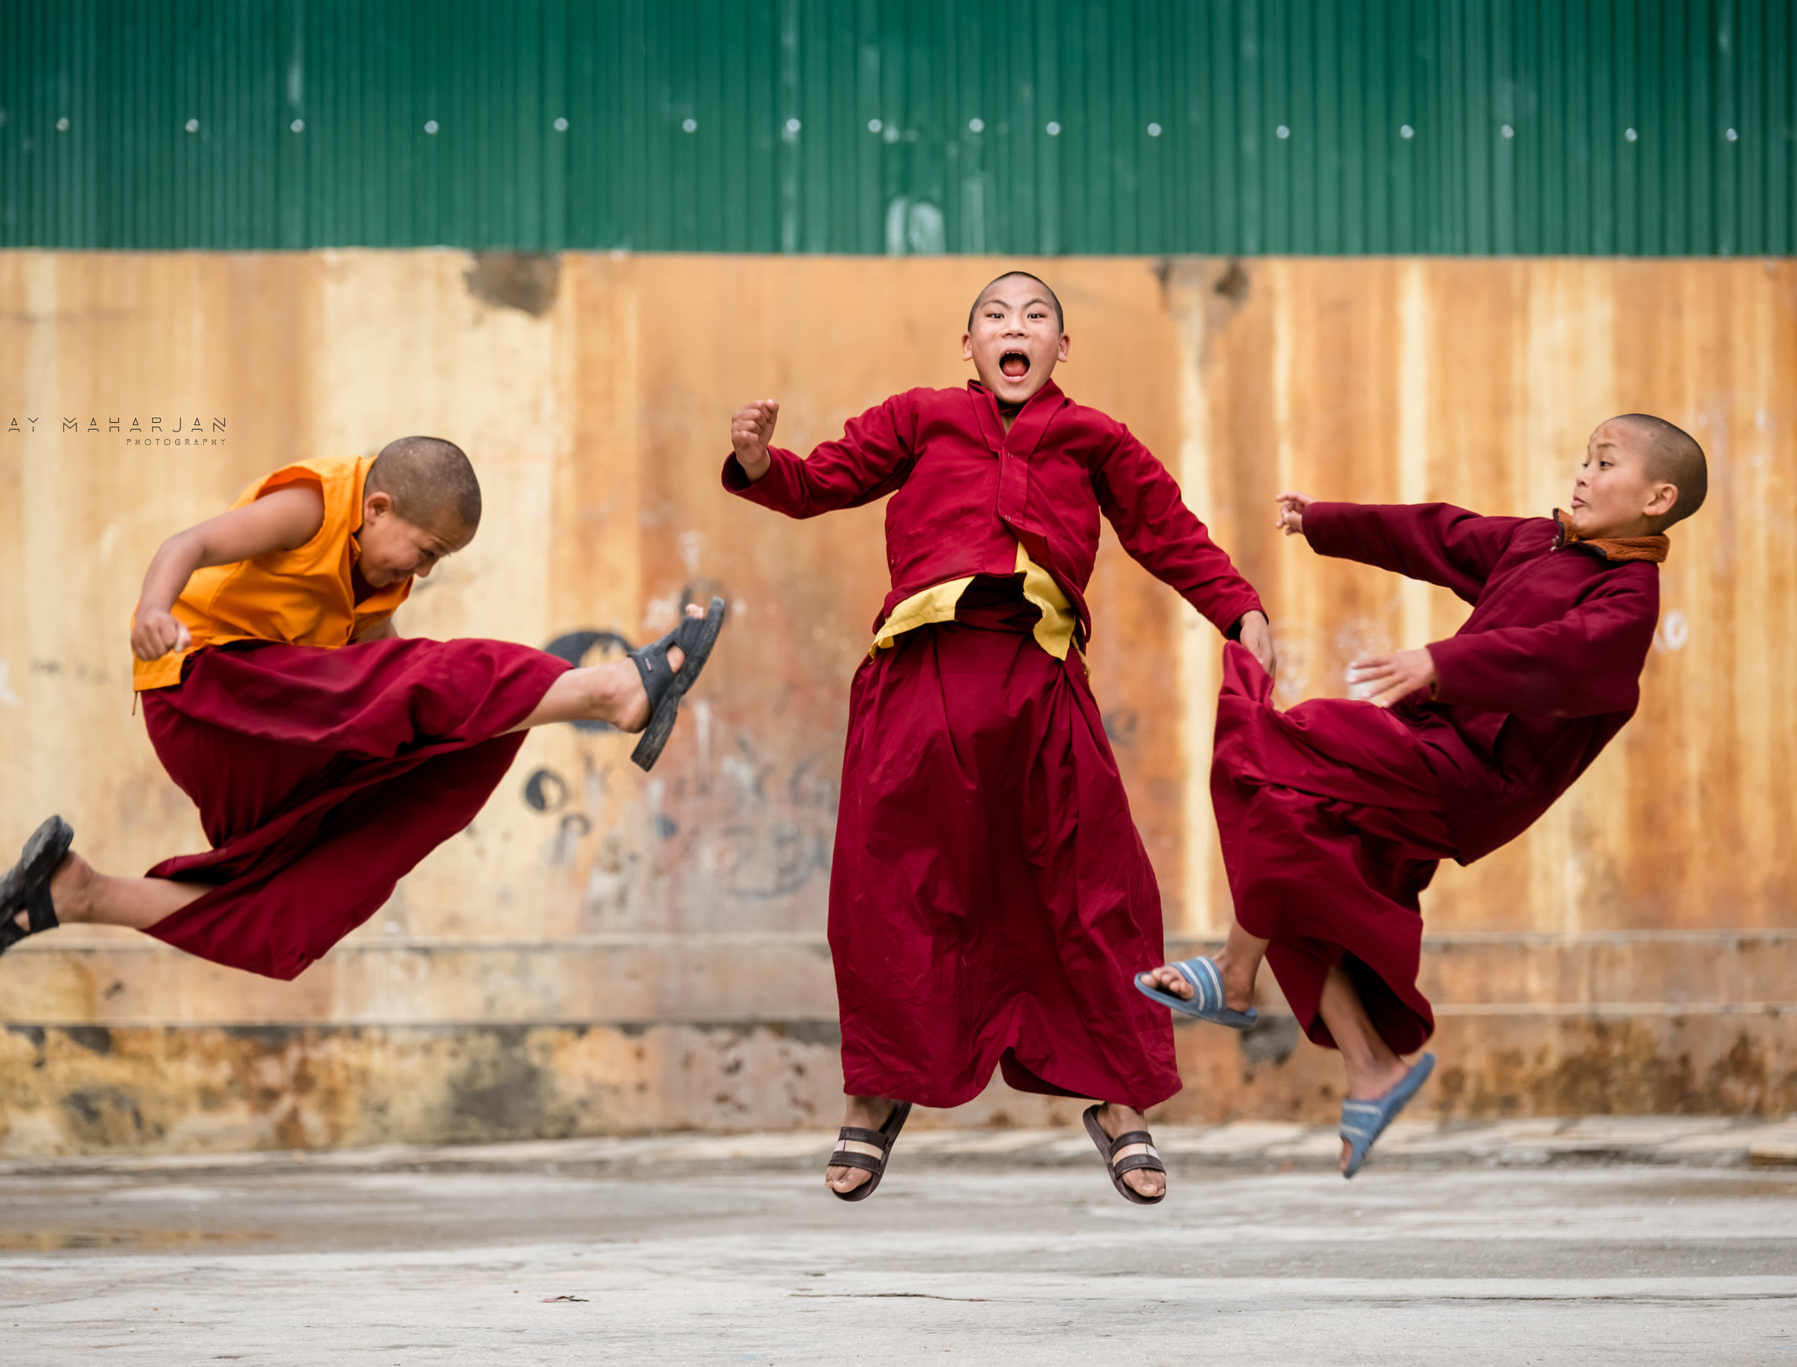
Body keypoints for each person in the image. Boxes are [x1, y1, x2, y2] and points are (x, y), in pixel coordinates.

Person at [725, 272, 1272, 1204]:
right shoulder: (921, 416)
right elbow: (820, 482)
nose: (1014, 327)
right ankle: (875, 1097)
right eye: (995, 316)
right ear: (968, 345)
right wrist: (758, 457)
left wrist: (1239, 609)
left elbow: (1167, 531)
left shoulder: (1097, 438)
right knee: (890, 890)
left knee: (1097, 888)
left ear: (1062, 349)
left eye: (1036, 317)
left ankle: (1119, 1100)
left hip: (1040, 683)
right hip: (917, 682)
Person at [1137, 415, 1707, 1178]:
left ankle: (1234, 974)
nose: (1582, 473)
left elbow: (1568, 658)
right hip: (1427, 745)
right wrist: (1326, 521)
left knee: (1292, 737)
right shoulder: (1539, 543)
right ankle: (1372, 1069)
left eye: (1605, 463)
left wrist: (1444, 663)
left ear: (1657, 497)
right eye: (1583, 457)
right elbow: (1439, 534)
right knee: (1291, 836)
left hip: (1476, 777)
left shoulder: (1626, 597)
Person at [0, 437, 723, 980]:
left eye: (438, 561)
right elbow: (184, 543)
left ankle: (77, 893)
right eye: (423, 550)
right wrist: (151, 613)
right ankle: (610, 689)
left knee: (308, 895)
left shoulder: (380, 573)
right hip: (205, 684)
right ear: (379, 506)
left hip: (256, 728)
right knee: (441, 677)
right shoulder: (313, 505)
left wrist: (438, 714)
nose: (423, 570)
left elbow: (386, 668)